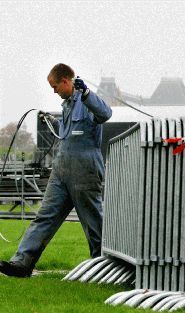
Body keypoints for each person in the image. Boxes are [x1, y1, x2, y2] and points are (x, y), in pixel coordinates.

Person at [0, 63, 112, 277]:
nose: (54, 91)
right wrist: (52, 122)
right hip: (61, 170)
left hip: (85, 169)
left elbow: (106, 114)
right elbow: (68, 132)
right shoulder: (67, 105)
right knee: (44, 216)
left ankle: (102, 268)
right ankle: (21, 263)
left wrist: (87, 93)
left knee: (93, 223)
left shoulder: (88, 100)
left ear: (65, 81)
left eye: (55, 86)